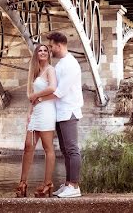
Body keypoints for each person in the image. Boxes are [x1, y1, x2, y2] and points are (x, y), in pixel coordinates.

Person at [38, 31, 83, 198]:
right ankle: (67, 185)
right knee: (65, 150)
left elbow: (60, 92)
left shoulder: (71, 64)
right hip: (60, 112)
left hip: (68, 111)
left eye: (51, 46)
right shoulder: (61, 64)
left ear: (59, 45)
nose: (49, 50)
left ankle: (75, 186)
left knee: (72, 149)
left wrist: (39, 99)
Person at [14, 43, 57, 197]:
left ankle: (47, 184)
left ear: (48, 54)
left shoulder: (50, 70)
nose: (43, 52)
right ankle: (23, 183)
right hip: (36, 112)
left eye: (46, 50)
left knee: (47, 148)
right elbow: (33, 98)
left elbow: (53, 88)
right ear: (36, 54)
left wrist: (36, 96)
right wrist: (29, 112)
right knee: (28, 146)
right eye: (40, 50)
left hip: (46, 112)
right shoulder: (36, 72)